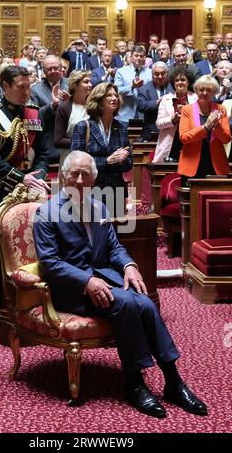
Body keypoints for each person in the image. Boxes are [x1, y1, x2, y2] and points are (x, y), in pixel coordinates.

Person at [33, 150, 208, 419]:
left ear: (94, 178)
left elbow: (114, 247)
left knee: (146, 303)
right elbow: (51, 263)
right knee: (126, 303)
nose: (79, 179)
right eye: (74, 173)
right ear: (63, 176)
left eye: (85, 174)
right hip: (71, 291)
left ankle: (173, 381)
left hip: (104, 279)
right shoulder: (46, 213)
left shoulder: (99, 207)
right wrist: (87, 281)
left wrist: (128, 265)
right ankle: (134, 383)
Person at [0, 65, 50, 328]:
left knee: (34, 250)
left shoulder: (34, 114)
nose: (27, 91)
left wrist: (37, 177)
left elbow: (43, 151)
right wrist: (19, 177)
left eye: (29, 86)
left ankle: (31, 304)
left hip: (31, 193)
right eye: (20, 87)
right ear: (5, 87)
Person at [71, 83, 132, 216]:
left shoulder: (121, 128)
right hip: (91, 190)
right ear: (98, 100)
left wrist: (122, 160)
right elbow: (76, 164)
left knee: (115, 233)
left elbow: (129, 164)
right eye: (108, 95)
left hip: (117, 192)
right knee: (90, 233)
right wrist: (107, 161)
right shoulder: (83, 127)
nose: (114, 98)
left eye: (115, 95)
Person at [178, 75, 231, 186]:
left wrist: (217, 126)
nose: (205, 93)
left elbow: (226, 139)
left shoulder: (220, 109)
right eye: (201, 89)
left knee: (215, 201)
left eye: (209, 90)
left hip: (216, 164)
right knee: (191, 201)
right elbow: (184, 137)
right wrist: (205, 127)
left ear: (214, 92)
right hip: (191, 163)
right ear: (196, 91)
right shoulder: (187, 110)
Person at [153, 66, 197, 164]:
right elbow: (158, 123)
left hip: (190, 143)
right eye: (177, 80)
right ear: (173, 83)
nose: (180, 82)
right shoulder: (166, 99)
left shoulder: (196, 99)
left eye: (183, 80)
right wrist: (172, 120)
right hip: (170, 144)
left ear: (188, 82)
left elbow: (199, 122)